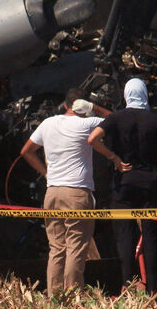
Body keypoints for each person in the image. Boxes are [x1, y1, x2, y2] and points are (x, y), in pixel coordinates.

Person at [20, 89, 122, 297]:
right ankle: (73, 298)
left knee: (57, 248)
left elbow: (26, 152)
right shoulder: (86, 124)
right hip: (77, 193)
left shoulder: (48, 123)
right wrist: (95, 108)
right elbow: (116, 120)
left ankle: (54, 299)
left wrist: (46, 174)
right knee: (76, 247)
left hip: (52, 193)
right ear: (82, 106)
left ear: (65, 105)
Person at [87, 78, 157, 295]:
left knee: (124, 236)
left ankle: (129, 286)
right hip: (150, 187)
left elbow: (93, 139)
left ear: (126, 95)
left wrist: (114, 157)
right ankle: (153, 289)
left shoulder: (116, 118)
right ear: (144, 94)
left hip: (123, 186)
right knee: (152, 238)